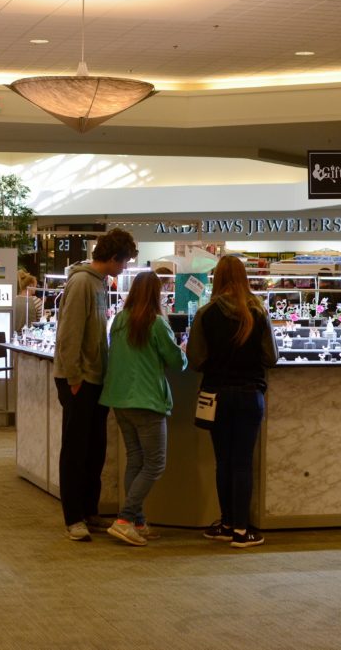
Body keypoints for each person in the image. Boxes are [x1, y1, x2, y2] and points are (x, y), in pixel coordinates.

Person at [187, 255, 278, 548]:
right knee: (242, 463)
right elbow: (271, 357)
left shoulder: (206, 313)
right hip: (250, 393)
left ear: (217, 278)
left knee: (223, 461)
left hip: (216, 394)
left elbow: (196, 359)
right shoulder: (258, 311)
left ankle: (226, 522)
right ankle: (241, 529)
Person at [53, 227, 138, 541]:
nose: (125, 268)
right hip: (79, 381)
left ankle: (90, 511)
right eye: (125, 262)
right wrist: (74, 378)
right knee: (75, 451)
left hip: (95, 379)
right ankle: (73, 517)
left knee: (95, 450)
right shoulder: (81, 283)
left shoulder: (99, 283)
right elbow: (69, 335)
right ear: (113, 258)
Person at [101, 271, 187, 546]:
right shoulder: (157, 323)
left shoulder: (120, 320)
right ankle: (125, 519)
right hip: (147, 401)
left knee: (135, 460)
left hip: (120, 399)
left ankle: (137, 522)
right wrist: (182, 349)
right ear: (156, 294)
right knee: (155, 464)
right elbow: (176, 362)